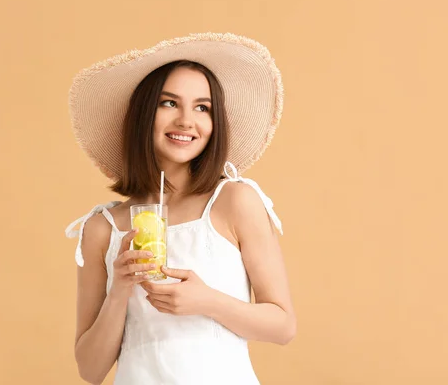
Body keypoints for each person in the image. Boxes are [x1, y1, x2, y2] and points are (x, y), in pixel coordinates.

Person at [65, 33, 296, 385]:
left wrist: (207, 301)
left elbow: (283, 326)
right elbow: (90, 369)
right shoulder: (103, 228)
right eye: (169, 103)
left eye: (202, 107)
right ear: (144, 114)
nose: (187, 121)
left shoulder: (234, 201)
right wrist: (120, 290)